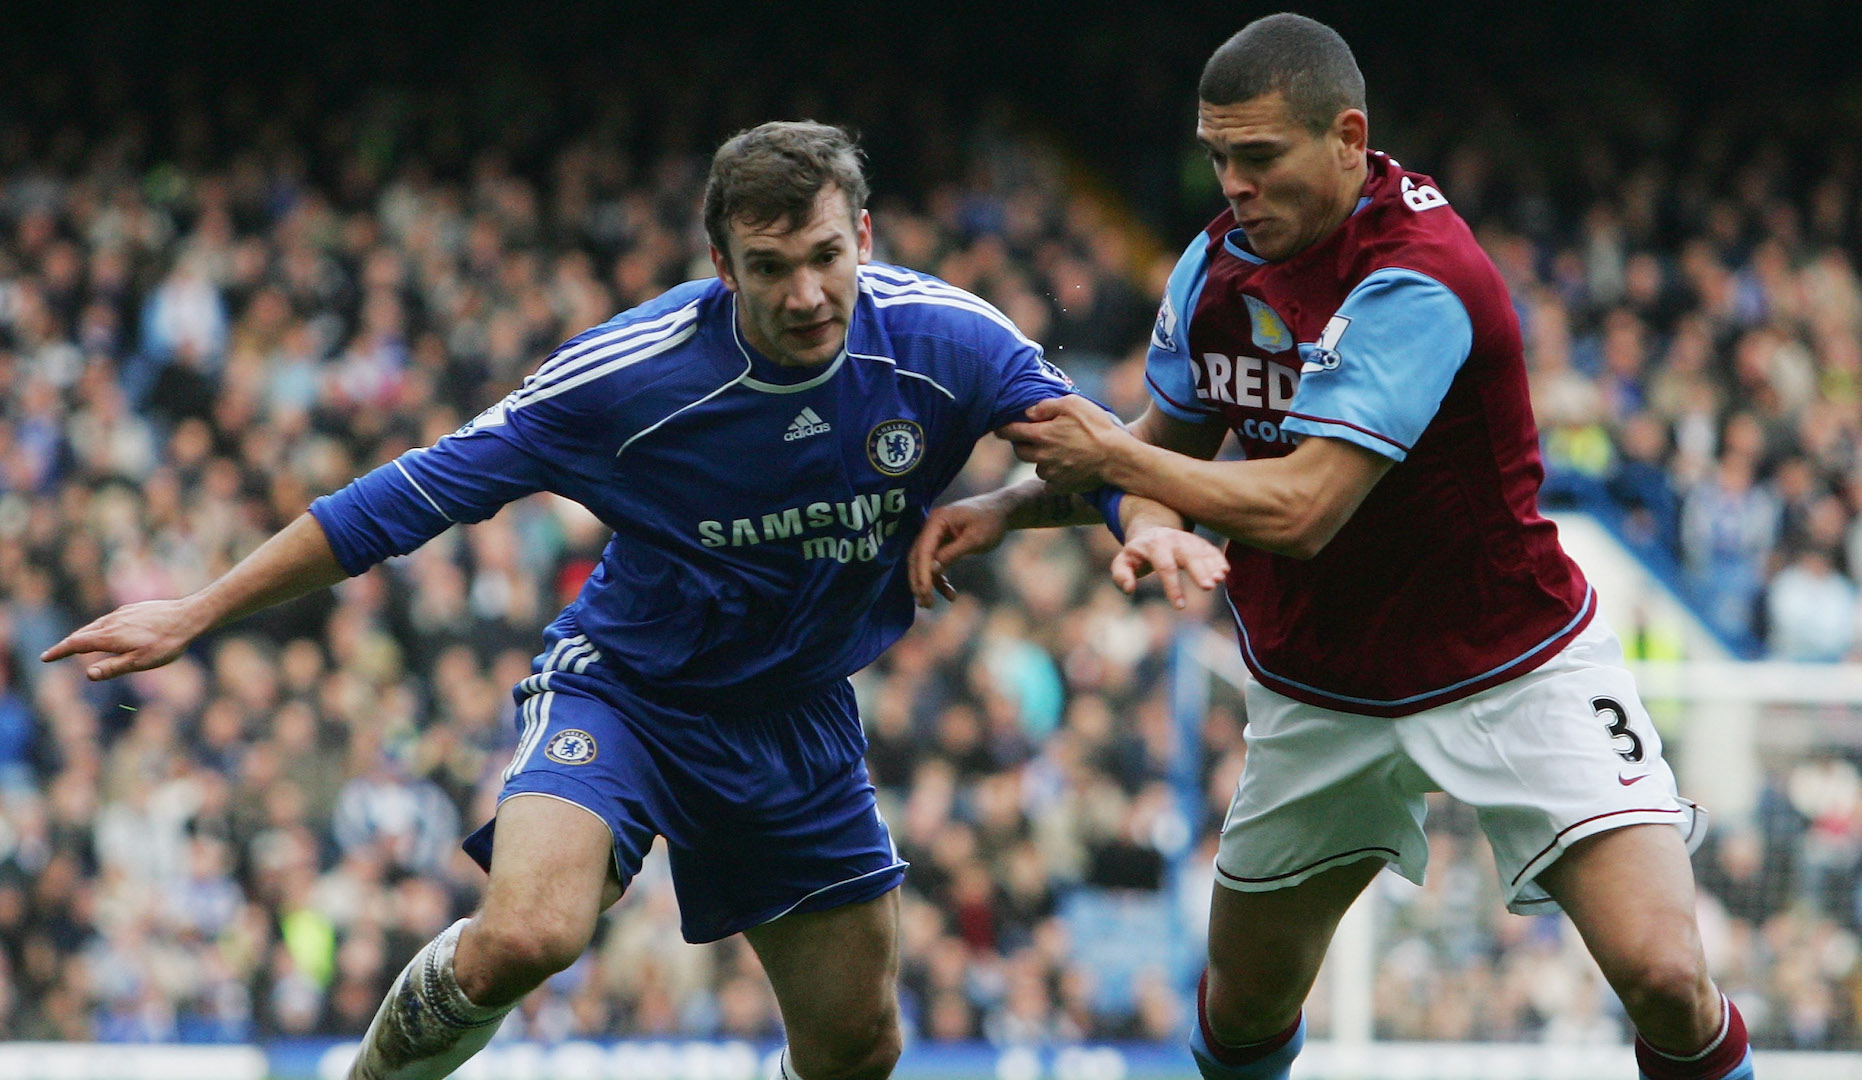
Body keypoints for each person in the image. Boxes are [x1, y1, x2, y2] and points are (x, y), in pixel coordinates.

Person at [43, 121, 1226, 1080]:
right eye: (771, 268)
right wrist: (197, 610)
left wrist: (1148, 530)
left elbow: (1095, 455)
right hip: (630, 689)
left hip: (798, 717)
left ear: (863, 233)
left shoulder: (946, 343)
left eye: (826, 255)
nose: (809, 293)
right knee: (527, 935)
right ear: (723, 267)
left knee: (858, 1050)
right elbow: (403, 499)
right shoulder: (633, 375)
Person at [911, 15, 1752, 1080]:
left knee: (1667, 976)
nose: (1232, 186)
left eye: (1259, 157)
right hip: (1318, 692)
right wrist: (1008, 510)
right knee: (1243, 1011)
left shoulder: (1420, 275)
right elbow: (1159, 455)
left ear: (1349, 139)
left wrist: (1126, 475)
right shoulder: (1215, 270)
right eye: (1218, 157)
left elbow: (1303, 506)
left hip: (1512, 666)